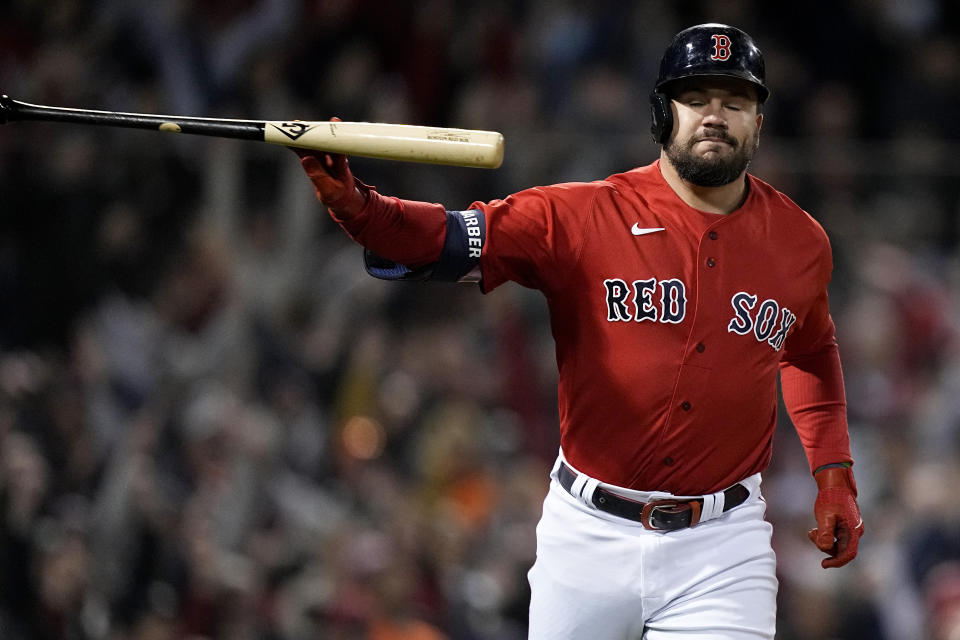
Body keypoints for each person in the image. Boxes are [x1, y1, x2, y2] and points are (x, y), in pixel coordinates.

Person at [295, 23, 864, 640]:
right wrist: (357, 207)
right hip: (588, 536)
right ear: (662, 112)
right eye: (696, 98)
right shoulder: (584, 216)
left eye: (734, 101)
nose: (714, 116)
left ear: (759, 120)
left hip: (722, 548)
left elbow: (810, 350)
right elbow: (445, 240)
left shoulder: (801, 243)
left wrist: (833, 475)